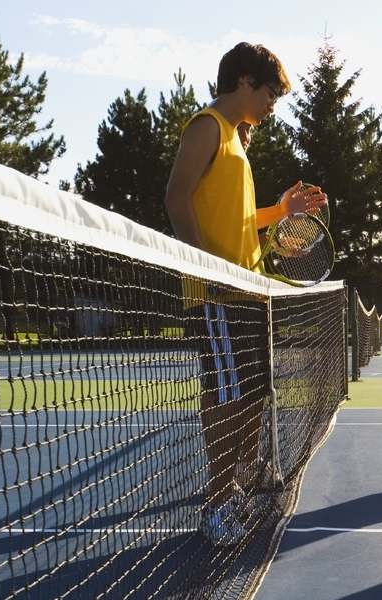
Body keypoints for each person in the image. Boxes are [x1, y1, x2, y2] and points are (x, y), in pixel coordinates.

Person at [164, 42, 327, 545]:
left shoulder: (237, 140)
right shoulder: (207, 128)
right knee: (227, 401)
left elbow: (237, 222)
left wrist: (280, 212)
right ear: (243, 82)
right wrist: (204, 265)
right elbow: (174, 197)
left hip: (248, 292)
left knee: (252, 399)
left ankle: (232, 491)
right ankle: (215, 506)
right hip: (217, 296)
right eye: (270, 92)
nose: (274, 102)